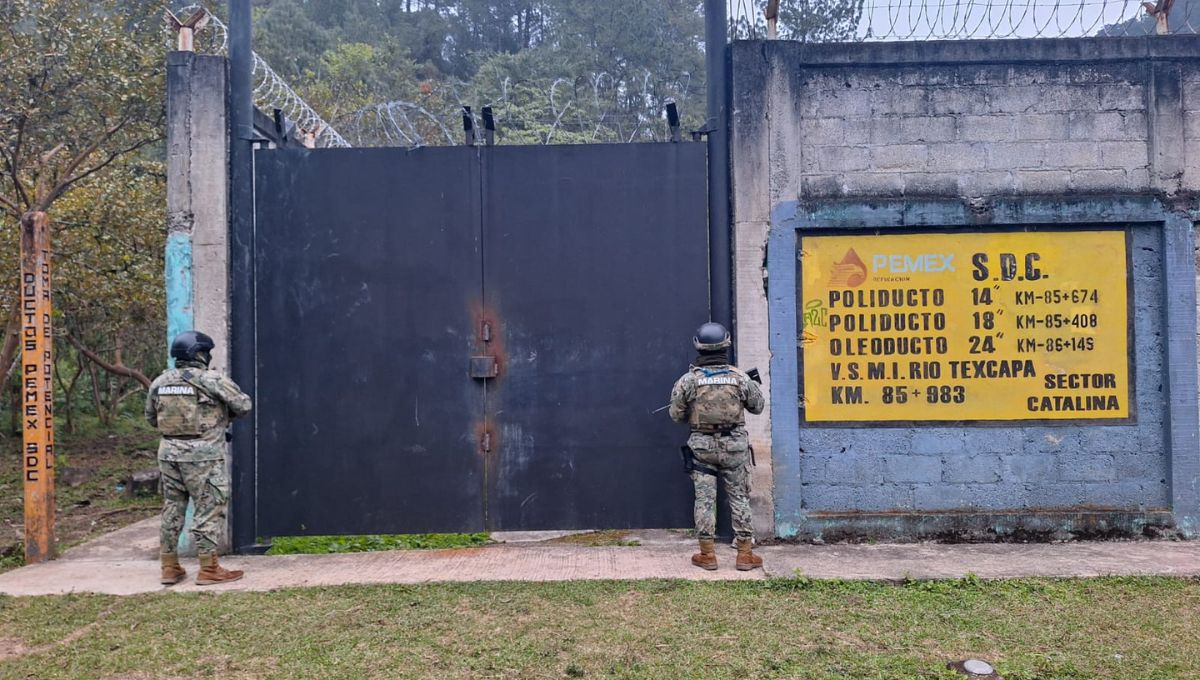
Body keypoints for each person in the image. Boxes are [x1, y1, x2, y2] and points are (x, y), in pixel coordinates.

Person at [145, 330, 252, 585]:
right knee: (209, 508)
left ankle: (169, 567)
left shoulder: (159, 382)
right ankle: (209, 568)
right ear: (199, 354)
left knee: (172, 508)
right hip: (203, 457)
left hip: (169, 455)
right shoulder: (211, 380)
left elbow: (151, 418)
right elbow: (244, 406)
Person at [669, 322, 765, 571]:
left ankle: (707, 555)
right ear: (727, 344)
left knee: (704, 500)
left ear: (698, 346)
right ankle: (745, 555)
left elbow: (676, 416)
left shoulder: (688, 381)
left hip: (701, 448)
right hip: (734, 446)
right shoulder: (740, 378)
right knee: (740, 498)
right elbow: (757, 407)